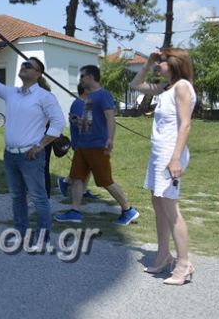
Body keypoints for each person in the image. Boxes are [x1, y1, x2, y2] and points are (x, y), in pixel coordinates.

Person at [130, 48, 197, 285]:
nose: (159, 64)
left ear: (175, 63)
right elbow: (135, 85)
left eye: (162, 61)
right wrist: (147, 64)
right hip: (158, 156)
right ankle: (163, 256)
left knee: (171, 209)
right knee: (158, 204)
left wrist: (176, 158)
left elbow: (186, 125)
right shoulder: (166, 88)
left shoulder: (182, 87)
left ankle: (184, 263)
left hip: (171, 155)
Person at [0, 44, 64, 241]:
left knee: (38, 198)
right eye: (23, 65)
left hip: (31, 155)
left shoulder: (44, 96)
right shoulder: (12, 93)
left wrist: (41, 145)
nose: (24, 67)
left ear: (38, 74)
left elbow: (58, 122)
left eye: (28, 66)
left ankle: (43, 237)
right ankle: (20, 233)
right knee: (17, 197)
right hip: (10, 154)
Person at [54, 65, 139, 225]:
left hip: (97, 146)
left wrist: (110, 139)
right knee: (78, 179)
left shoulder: (103, 95)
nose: (80, 80)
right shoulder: (89, 98)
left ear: (91, 77)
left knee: (105, 181)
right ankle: (75, 212)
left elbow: (110, 119)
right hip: (83, 145)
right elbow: (88, 123)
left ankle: (128, 210)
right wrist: (79, 122)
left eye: (82, 77)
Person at [56, 84, 99, 200]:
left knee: (87, 166)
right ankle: (65, 181)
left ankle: (82, 190)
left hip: (88, 140)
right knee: (83, 166)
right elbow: (77, 122)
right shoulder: (78, 104)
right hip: (80, 140)